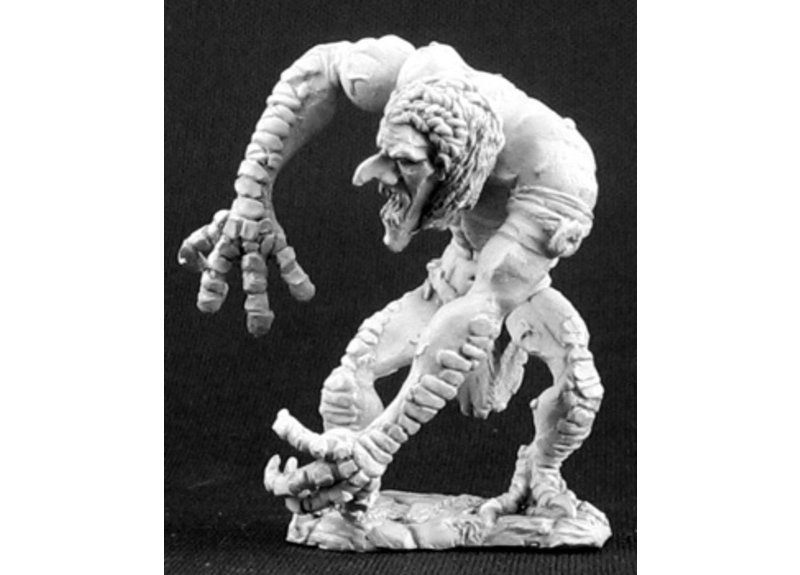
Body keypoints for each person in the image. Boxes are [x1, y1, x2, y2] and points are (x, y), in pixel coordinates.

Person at [179, 36, 604, 522]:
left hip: (514, 283)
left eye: (403, 161)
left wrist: (378, 444)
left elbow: (486, 303)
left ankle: (542, 472)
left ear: (456, 163)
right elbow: (323, 67)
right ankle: (349, 488)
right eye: (385, 152)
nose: (372, 174)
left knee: (578, 389)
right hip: (457, 270)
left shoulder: (558, 167)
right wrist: (252, 196)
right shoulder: (410, 76)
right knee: (346, 385)